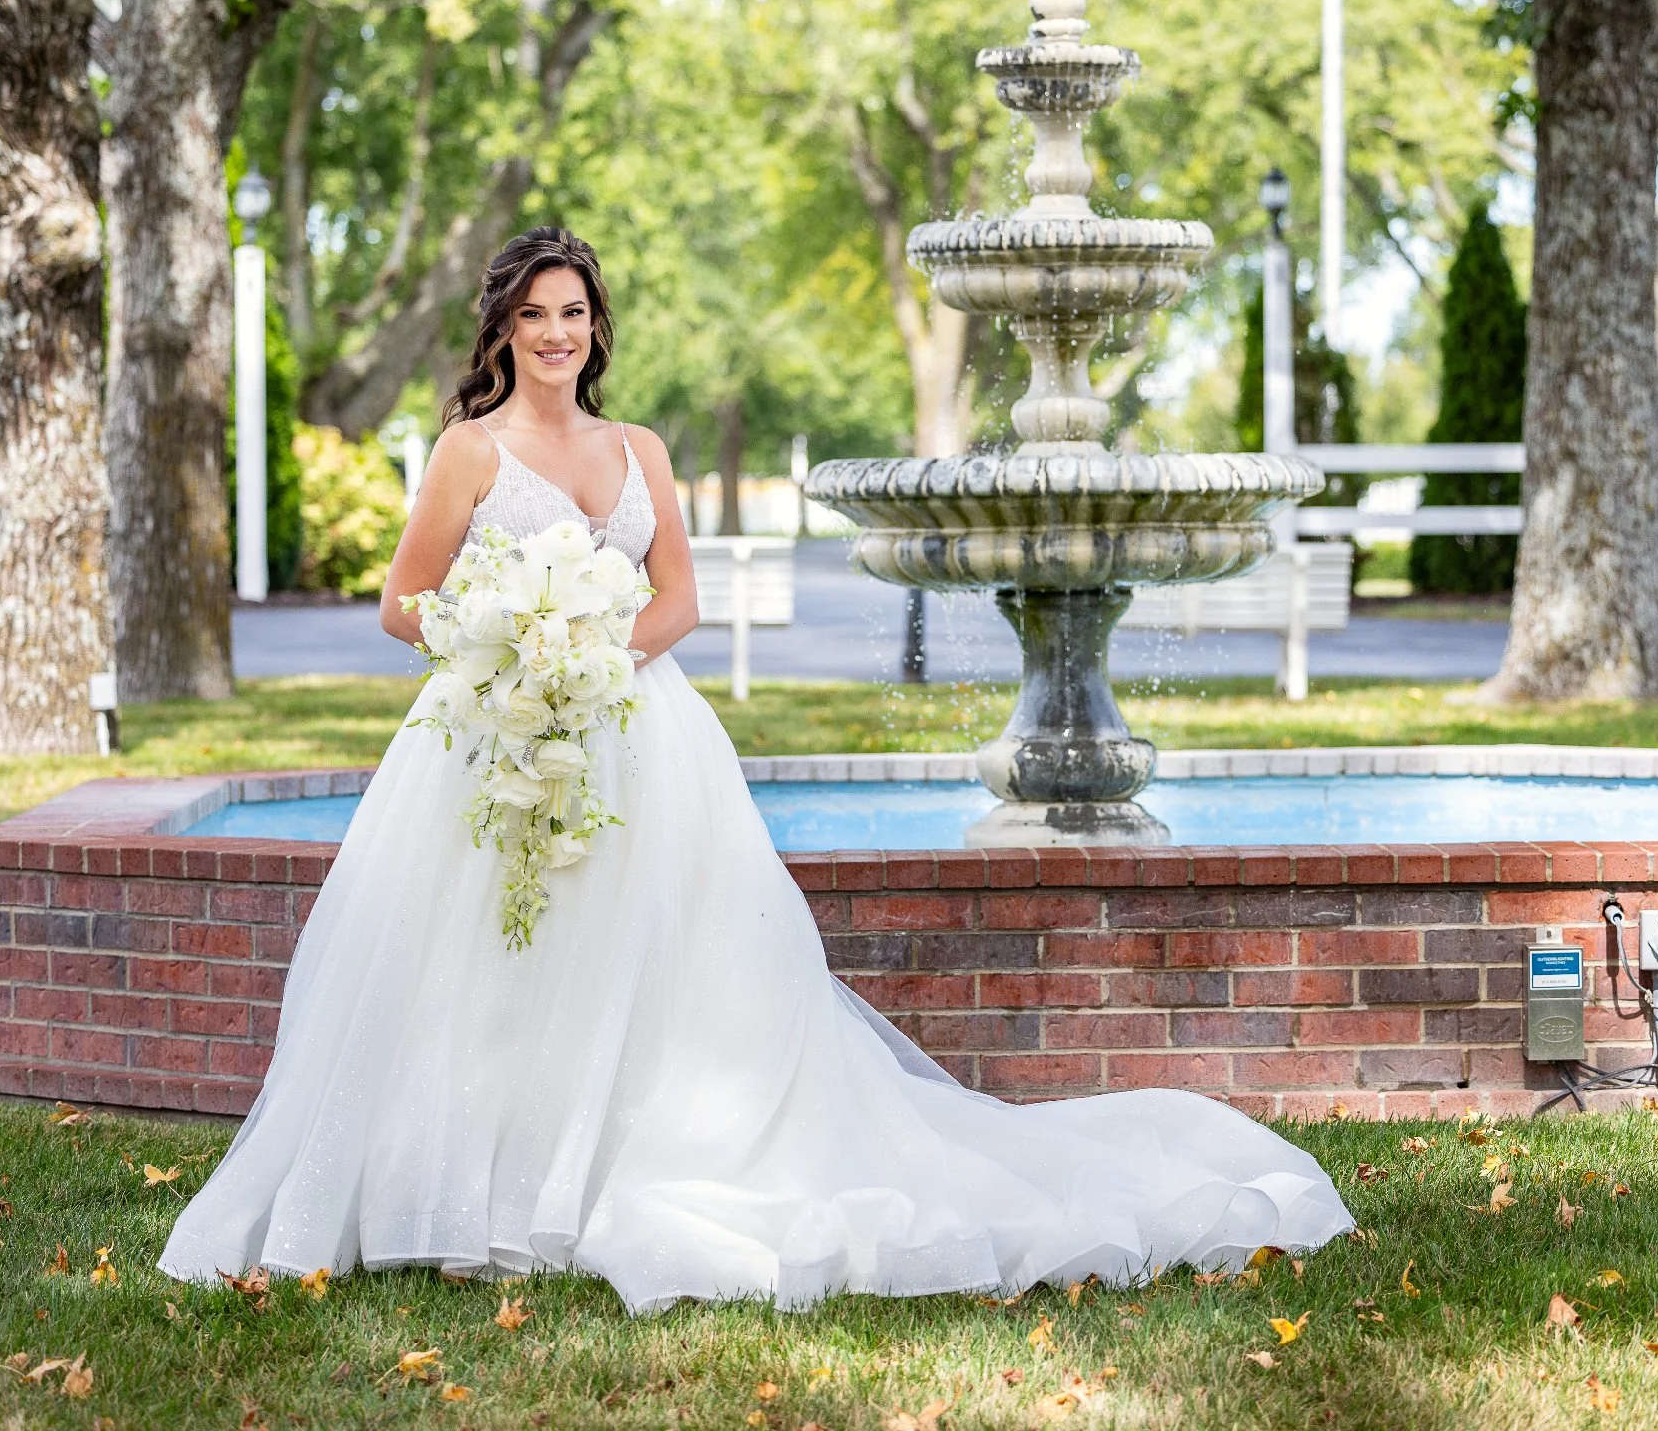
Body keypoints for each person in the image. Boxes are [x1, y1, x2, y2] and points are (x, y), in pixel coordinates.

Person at [158, 226, 1352, 1312]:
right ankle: (469, 1188)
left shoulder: (639, 447)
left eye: (574, 313)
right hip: (498, 728)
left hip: (639, 726)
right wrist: (516, 653)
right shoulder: (469, 450)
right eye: (534, 315)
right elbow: (403, 602)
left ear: (595, 328)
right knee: (495, 956)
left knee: (656, 951)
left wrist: (593, 662)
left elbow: (677, 597)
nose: (556, 334)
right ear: (503, 330)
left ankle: (618, 1164)